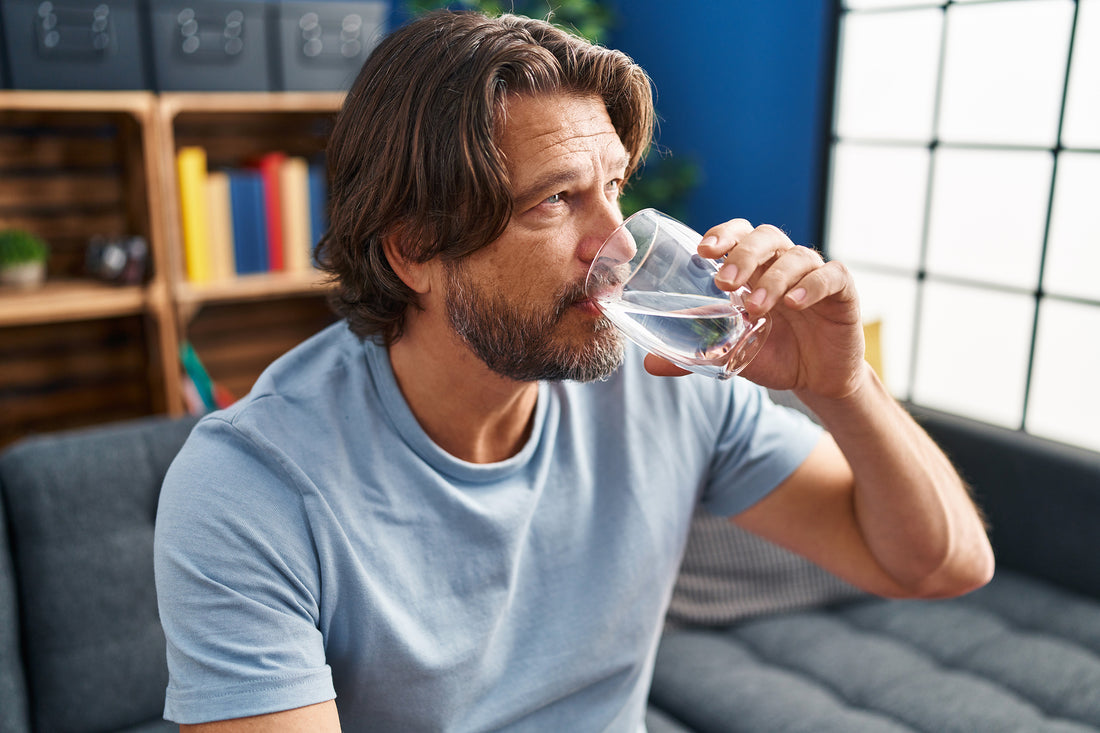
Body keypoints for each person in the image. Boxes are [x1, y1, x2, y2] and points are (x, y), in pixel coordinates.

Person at [153, 10, 994, 731]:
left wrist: (841, 387)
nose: (621, 244)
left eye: (616, 188)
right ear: (414, 249)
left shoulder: (657, 377)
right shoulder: (250, 486)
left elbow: (940, 565)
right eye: (556, 199)